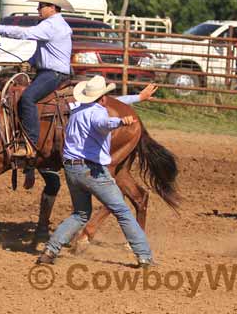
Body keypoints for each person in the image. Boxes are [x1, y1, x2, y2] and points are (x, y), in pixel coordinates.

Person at [36, 76, 157, 268]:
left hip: (71, 169)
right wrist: (119, 122)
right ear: (102, 98)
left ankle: (50, 250)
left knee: (80, 214)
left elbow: (116, 103)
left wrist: (137, 98)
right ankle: (144, 256)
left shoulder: (76, 108)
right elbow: (103, 123)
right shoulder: (99, 114)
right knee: (122, 211)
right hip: (92, 171)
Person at [0, 0, 74, 185]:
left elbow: (26, 34)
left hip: (53, 74)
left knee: (27, 98)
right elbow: (47, 50)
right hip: (48, 72)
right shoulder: (52, 24)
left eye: (41, 6)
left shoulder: (52, 25)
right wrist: (31, 62)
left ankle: (30, 143)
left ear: (52, 7)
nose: (38, 9)